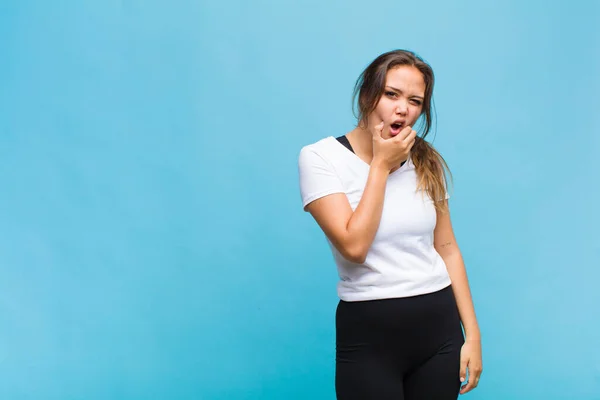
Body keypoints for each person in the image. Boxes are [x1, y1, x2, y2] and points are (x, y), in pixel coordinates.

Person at [297, 49, 483, 399]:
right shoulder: (321, 158)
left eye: (415, 100)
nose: (403, 109)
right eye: (391, 94)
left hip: (439, 334)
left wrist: (472, 336)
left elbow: (446, 248)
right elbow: (354, 248)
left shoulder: (426, 161)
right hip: (369, 338)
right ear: (368, 94)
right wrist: (380, 167)